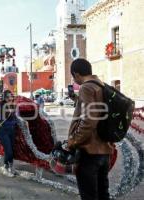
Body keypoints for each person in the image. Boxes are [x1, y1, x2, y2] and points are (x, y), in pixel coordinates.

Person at [67, 58, 113, 200]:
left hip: (89, 152)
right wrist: (76, 100)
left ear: (76, 74)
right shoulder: (101, 85)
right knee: (103, 194)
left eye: (74, 77)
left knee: (89, 196)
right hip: (104, 150)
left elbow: (88, 121)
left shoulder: (86, 87)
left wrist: (73, 141)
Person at [0, 90, 18, 177]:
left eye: (11, 96)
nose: (9, 98)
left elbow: (16, 117)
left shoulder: (13, 106)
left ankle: (10, 167)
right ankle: (6, 167)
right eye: (7, 97)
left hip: (12, 130)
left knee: (11, 149)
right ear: (4, 98)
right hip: (2, 130)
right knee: (8, 150)